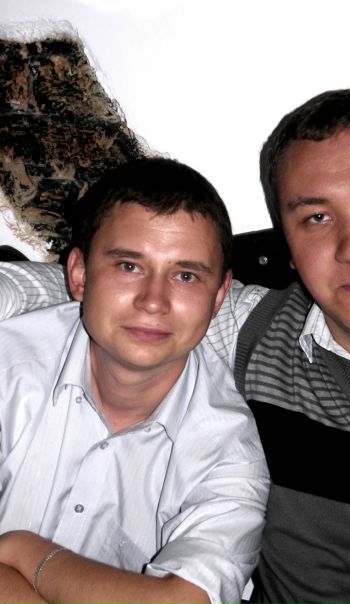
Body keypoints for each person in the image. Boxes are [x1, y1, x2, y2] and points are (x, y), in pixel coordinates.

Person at [2, 89, 350, 602]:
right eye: (317, 217)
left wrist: (22, 553)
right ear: (288, 244)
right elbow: (125, 300)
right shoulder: (258, 331)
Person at [0, 157, 269, 604]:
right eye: (129, 266)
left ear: (219, 296)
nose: (153, 301)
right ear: (79, 274)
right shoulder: (9, 365)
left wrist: (27, 554)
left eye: (185, 275)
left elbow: (187, 601)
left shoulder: (228, 452)